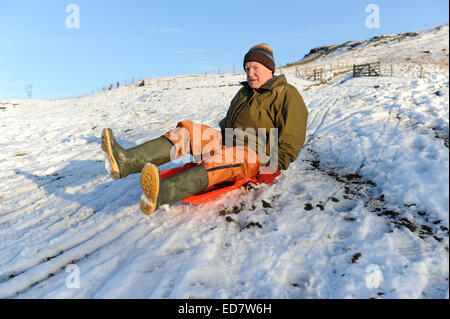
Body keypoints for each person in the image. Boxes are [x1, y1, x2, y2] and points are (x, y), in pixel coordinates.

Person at [101, 43, 308, 215]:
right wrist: (209, 142)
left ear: (269, 69)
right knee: (188, 131)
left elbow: (292, 137)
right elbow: (228, 122)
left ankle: (162, 193)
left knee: (224, 160)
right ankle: (126, 161)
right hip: (228, 142)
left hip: (256, 154)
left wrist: (273, 167)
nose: (250, 73)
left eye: (255, 68)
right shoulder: (243, 93)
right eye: (247, 68)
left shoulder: (286, 94)